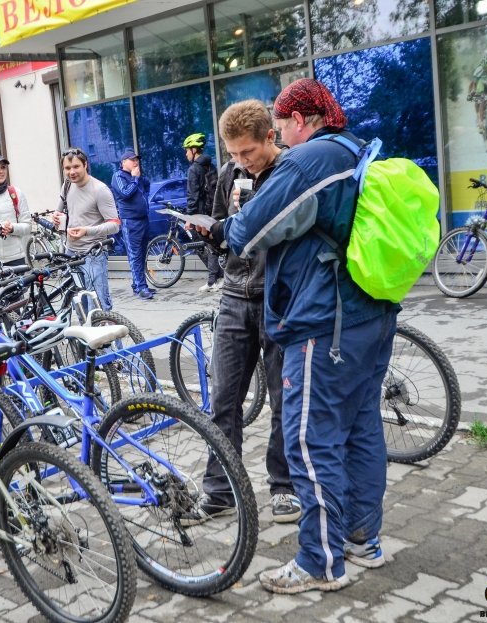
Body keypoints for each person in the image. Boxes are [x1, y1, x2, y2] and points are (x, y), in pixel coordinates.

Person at [223, 79, 397, 594]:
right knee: (361, 429)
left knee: (309, 439)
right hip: (371, 314)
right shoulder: (355, 148)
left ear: (299, 119)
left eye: (279, 127)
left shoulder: (308, 159)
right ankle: (362, 539)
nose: (279, 135)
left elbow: (247, 233)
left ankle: (319, 561)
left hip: (325, 321)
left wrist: (228, 225)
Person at [184, 100, 300, 526]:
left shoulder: (290, 173)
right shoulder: (229, 174)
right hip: (234, 294)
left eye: (247, 153)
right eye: (232, 153)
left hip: (278, 297)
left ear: (271, 137)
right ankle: (220, 490)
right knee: (223, 400)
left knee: (284, 401)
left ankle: (284, 488)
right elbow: (221, 228)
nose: (239, 161)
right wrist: (206, 233)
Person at [52, 148, 121, 310]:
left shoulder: (100, 190)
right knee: (79, 305)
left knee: (98, 305)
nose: (72, 172)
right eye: (67, 168)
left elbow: (115, 225)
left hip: (93, 255)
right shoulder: (67, 185)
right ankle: (87, 335)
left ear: (85, 165)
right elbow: (59, 210)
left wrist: (87, 231)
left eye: (76, 167)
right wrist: (56, 217)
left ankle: (110, 335)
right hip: (70, 254)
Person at [111, 149, 154, 300]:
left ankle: (139, 285)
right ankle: (141, 287)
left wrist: (140, 181)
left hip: (143, 219)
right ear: (123, 162)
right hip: (130, 221)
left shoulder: (136, 176)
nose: (136, 162)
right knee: (135, 255)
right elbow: (125, 193)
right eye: (132, 159)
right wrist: (135, 179)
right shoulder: (118, 176)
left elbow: (147, 186)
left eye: (136, 159)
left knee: (141, 253)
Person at [183, 133, 223, 292]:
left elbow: (193, 195)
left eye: (187, 150)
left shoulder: (194, 169)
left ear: (193, 150)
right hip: (213, 211)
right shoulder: (210, 166)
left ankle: (214, 280)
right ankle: (217, 277)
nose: (186, 154)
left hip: (200, 214)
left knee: (207, 246)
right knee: (210, 245)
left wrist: (189, 218)